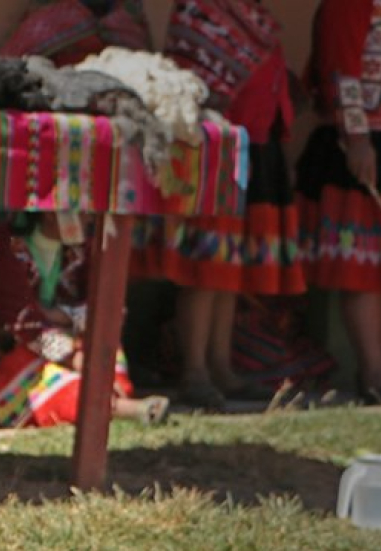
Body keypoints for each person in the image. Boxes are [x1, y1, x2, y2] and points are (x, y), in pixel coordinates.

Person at [132, 0, 304, 410]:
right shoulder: (202, 12)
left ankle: (221, 367)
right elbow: (193, 79)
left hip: (254, 147)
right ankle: (195, 370)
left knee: (230, 268)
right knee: (206, 266)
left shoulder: (256, 17)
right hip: (212, 147)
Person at [0, 214, 169, 428]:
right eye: (80, 209)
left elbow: (108, 308)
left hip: (76, 344)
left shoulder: (85, 245)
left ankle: (113, 402)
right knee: (63, 386)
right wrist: (77, 358)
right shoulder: (7, 243)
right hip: (20, 352)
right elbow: (20, 321)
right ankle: (127, 409)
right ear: (50, 213)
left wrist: (57, 314)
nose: (89, 217)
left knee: (109, 354)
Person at [297, 0, 381, 404]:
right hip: (362, 142)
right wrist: (358, 138)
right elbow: (339, 67)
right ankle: (373, 372)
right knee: (362, 266)